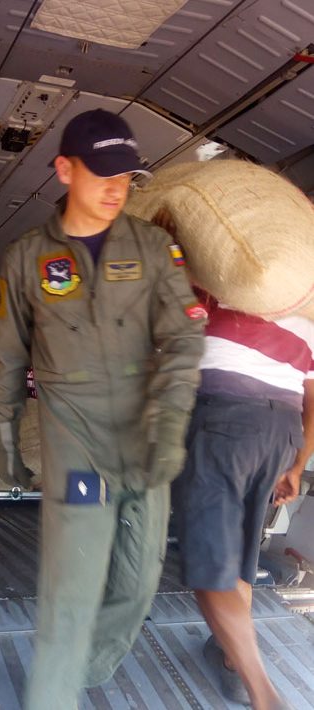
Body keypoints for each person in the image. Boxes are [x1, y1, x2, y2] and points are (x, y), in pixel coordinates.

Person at [0, 109, 206, 709]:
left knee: (138, 582)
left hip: (144, 433)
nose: (116, 188)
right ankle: (53, 690)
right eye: (103, 173)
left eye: (126, 176)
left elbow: (184, 337)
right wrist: (6, 439)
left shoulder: (153, 248)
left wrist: (170, 425)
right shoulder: (27, 258)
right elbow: (7, 356)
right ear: (65, 170)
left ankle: (78, 670)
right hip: (76, 440)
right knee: (75, 582)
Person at [154, 210, 314, 710]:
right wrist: (296, 465)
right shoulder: (306, 315)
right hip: (281, 435)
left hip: (224, 424)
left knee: (210, 564)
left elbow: (169, 288)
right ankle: (228, 657)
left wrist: (170, 239)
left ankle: (263, 693)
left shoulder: (218, 291)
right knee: (240, 551)